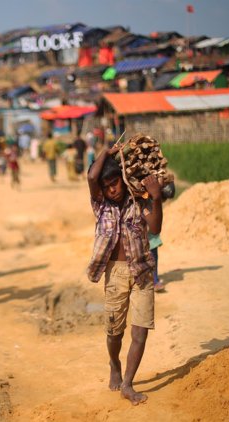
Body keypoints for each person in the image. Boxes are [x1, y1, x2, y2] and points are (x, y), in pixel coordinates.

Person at [86, 146, 163, 406]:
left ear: (122, 179)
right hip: (115, 274)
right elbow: (91, 178)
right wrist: (106, 151)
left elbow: (155, 228)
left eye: (115, 183)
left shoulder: (138, 200)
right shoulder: (101, 206)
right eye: (106, 186)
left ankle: (128, 384)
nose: (112, 190)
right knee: (114, 333)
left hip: (141, 271)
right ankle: (114, 364)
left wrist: (156, 198)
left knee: (140, 332)